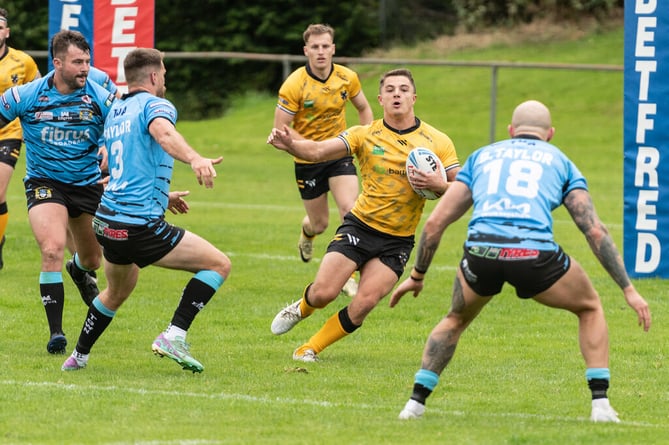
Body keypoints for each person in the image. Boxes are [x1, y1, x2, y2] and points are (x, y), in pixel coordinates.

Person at [391, 100, 652, 422]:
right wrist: (628, 289)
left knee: (456, 319)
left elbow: (434, 224)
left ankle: (414, 405)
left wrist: (417, 275)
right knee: (590, 307)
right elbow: (594, 230)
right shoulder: (561, 162)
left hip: (481, 253)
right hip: (533, 256)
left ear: (511, 131)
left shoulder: (483, 157)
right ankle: (600, 405)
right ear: (550, 134)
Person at [267, 68, 460, 362]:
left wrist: (440, 185)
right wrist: (292, 145)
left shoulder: (437, 140)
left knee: (365, 303)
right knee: (323, 294)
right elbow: (319, 151)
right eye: (391, 90)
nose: (398, 94)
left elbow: (461, 186)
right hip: (360, 227)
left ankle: (310, 348)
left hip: (398, 239)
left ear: (414, 97)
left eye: (404, 89)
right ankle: (301, 307)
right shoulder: (364, 134)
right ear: (380, 99)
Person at [61, 48, 230, 373]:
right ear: (154, 76)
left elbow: (119, 168)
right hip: (137, 225)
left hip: (107, 221)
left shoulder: (118, 110)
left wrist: (161, 197)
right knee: (218, 264)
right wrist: (195, 158)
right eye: (163, 74)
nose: (164, 79)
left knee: (117, 290)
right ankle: (174, 335)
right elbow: (164, 134)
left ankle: (78, 357)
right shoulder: (156, 104)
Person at [0, 30, 116, 354]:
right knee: (51, 249)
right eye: (78, 62)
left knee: (93, 259)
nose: (85, 68)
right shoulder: (27, 95)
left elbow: (123, 127)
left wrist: (109, 147)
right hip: (44, 183)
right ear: (58, 63)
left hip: (87, 184)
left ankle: (78, 269)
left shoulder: (99, 93)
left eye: (88, 61)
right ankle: (56, 333)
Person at [274, 23, 373, 297]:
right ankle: (307, 233)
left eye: (325, 46)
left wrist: (365, 137)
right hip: (307, 159)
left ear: (333, 49)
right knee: (320, 223)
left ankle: (347, 274)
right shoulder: (294, 84)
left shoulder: (347, 77)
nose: (320, 52)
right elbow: (282, 128)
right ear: (306, 51)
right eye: (314, 47)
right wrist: (312, 149)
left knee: (350, 210)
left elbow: (363, 108)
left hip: (339, 152)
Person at [0, 7, 41, 270]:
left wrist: (33, 127)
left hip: (9, 133)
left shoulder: (23, 61)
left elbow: (38, 92)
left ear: (7, 31)